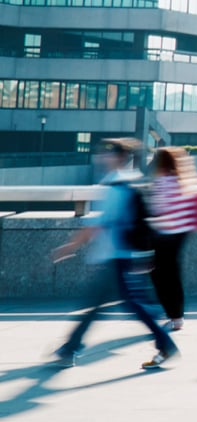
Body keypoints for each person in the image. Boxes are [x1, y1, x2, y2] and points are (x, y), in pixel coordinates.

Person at [48, 138, 179, 370]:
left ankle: (165, 344)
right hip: (121, 255)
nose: (101, 157)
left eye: (107, 154)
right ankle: (71, 347)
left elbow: (99, 224)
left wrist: (70, 246)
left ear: (118, 158)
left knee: (129, 305)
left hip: (117, 256)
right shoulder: (127, 183)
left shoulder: (116, 188)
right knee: (105, 304)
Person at [144, 147, 197, 332]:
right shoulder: (184, 181)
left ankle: (170, 314)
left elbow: (156, 209)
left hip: (164, 235)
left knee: (158, 275)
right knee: (173, 275)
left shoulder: (161, 183)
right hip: (181, 233)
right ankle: (177, 316)